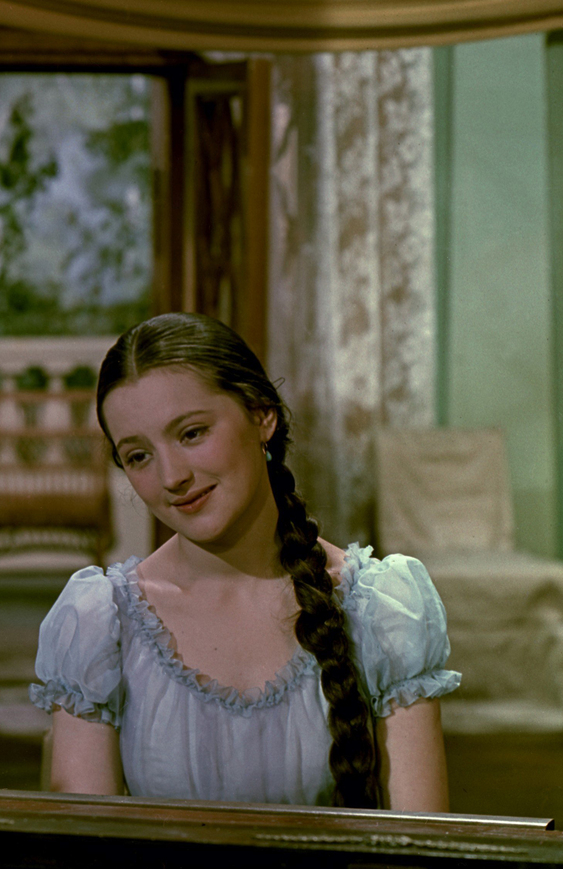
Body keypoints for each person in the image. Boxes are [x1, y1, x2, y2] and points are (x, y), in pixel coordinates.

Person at [32, 313, 454, 810]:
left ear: (262, 416)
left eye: (191, 433)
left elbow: (417, 841)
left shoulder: (378, 610)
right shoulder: (103, 622)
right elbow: (87, 847)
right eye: (139, 456)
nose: (171, 477)